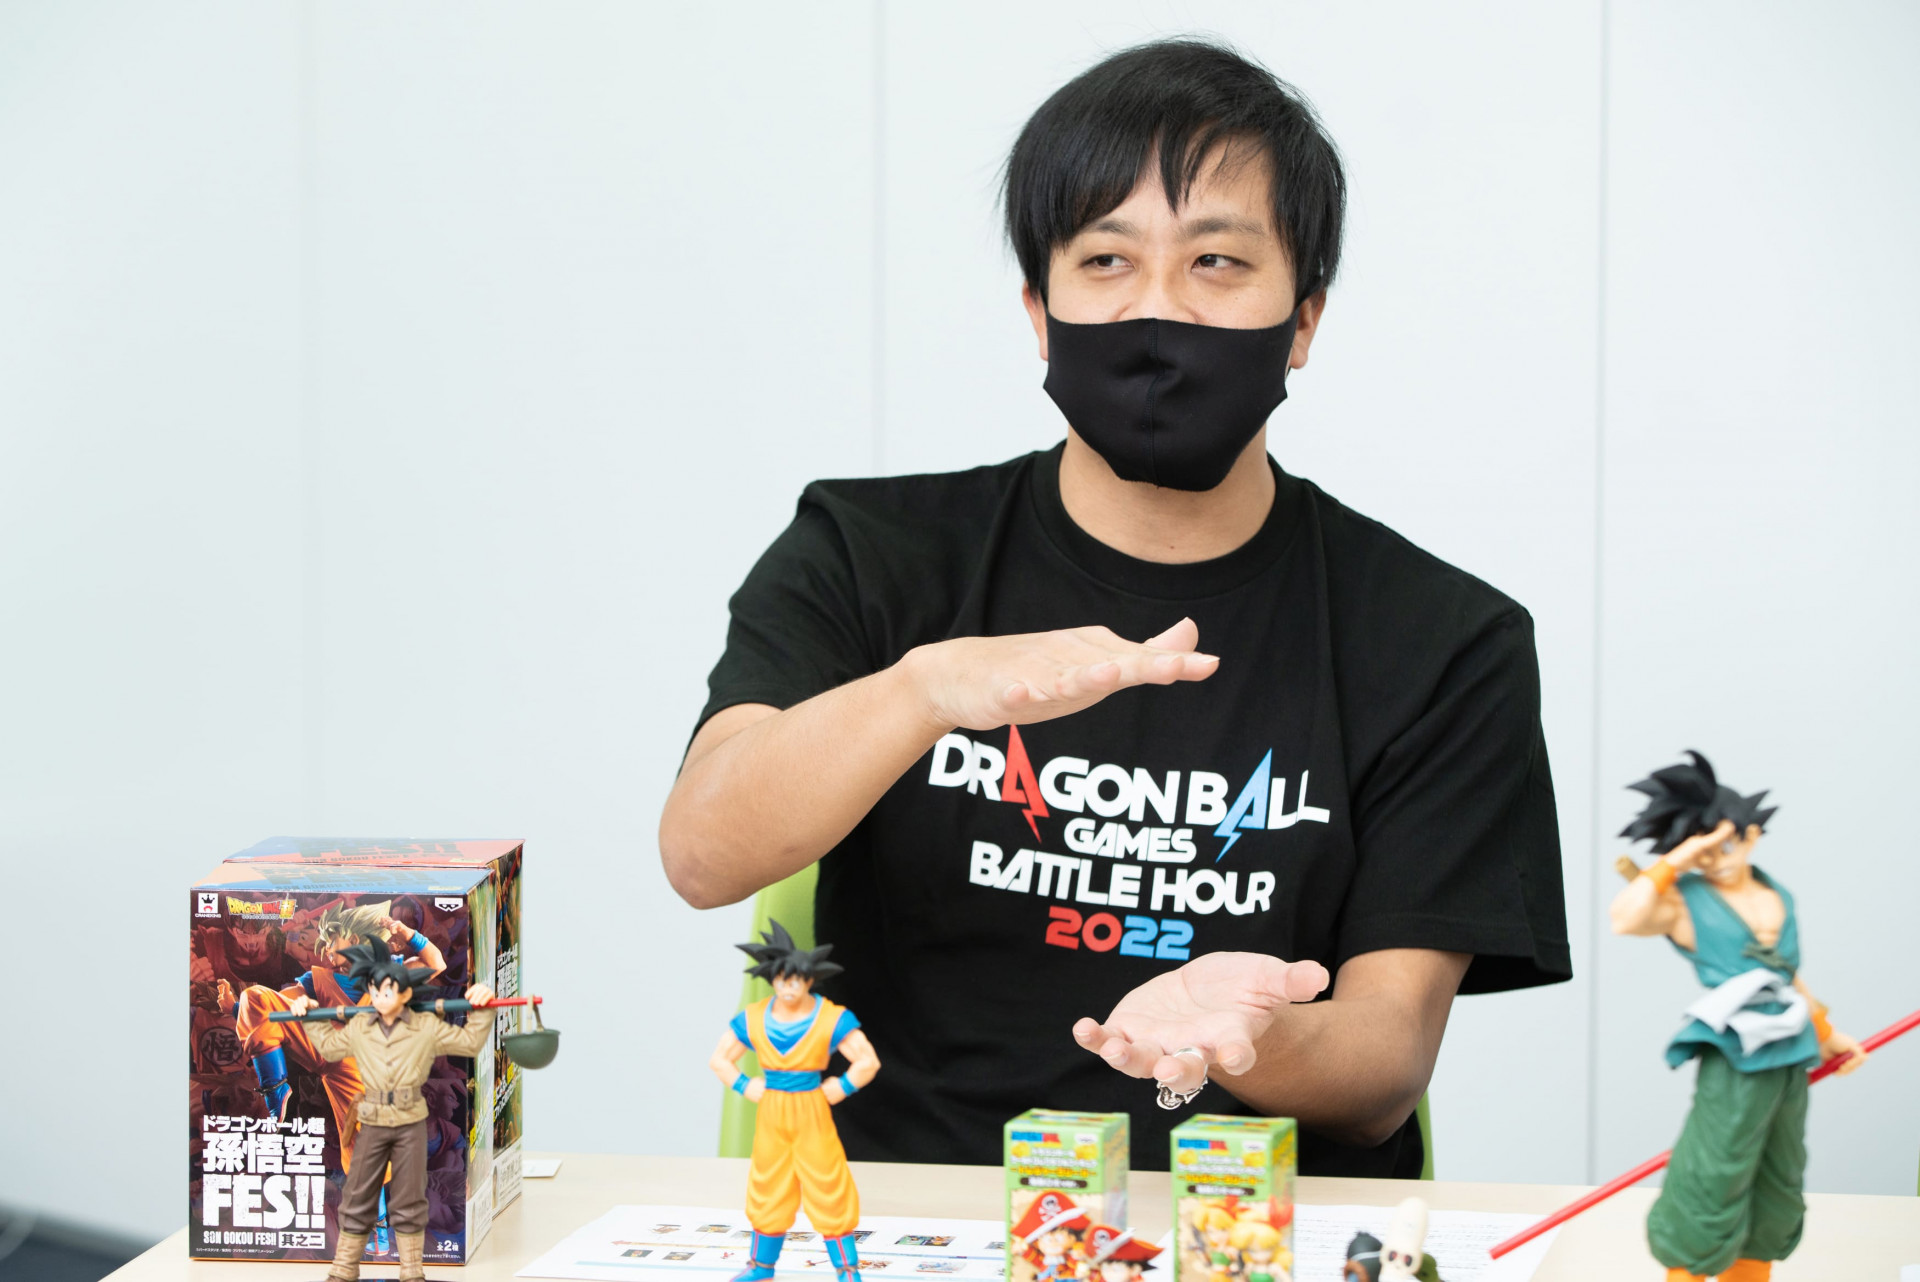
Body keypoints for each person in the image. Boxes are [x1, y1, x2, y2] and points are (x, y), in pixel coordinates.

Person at [661, 37, 1569, 1177]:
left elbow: (1384, 1064)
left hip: (1246, 1227)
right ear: (1040, 312)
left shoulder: (1443, 640)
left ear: (1304, 319)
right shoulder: (870, 553)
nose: (1158, 312)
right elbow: (703, 853)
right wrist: (923, 690)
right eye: (1105, 260)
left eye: (1217, 262)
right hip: (912, 1219)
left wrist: (1246, 1032)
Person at [1608, 752, 1866, 1282]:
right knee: (1714, 1169)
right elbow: (1625, 918)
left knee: (1779, 1174)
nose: (1716, 860)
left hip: (1791, 1050)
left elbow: (1787, 979)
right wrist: (1682, 857)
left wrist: (1827, 1032)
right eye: (1705, 851)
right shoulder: (1685, 901)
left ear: (1751, 834)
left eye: (1726, 845)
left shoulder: (1776, 894)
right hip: (1736, 1052)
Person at [293, 942, 495, 1282]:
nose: (380, 997)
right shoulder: (361, 1026)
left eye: (388, 990)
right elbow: (329, 1049)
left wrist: (483, 1009)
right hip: (371, 1120)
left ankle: (412, 1270)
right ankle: (344, 1267)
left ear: (405, 993)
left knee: (409, 1197)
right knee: (358, 1194)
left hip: (408, 1120)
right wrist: (309, 1015)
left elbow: (469, 1044)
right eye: (375, 989)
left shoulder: (424, 1026)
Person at [709, 922, 880, 1282]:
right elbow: (720, 1059)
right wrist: (744, 1085)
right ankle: (760, 1267)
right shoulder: (754, 1018)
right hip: (773, 1110)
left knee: (827, 1182)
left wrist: (842, 1086)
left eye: (796, 981)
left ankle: (847, 1269)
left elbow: (867, 1061)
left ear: (809, 981)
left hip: (811, 1108)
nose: (789, 988)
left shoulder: (830, 1017)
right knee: (768, 1184)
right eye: (782, 980)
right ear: (772, 980)